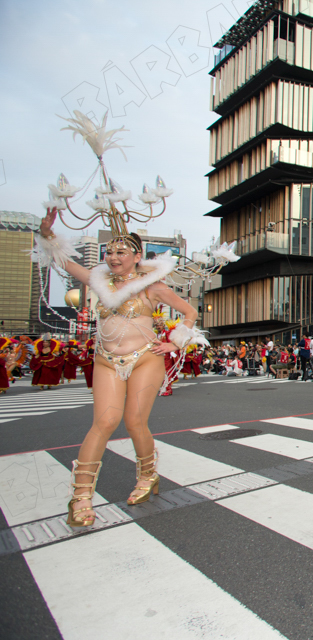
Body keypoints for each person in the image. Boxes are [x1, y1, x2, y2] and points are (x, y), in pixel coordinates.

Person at [34, 211, 204, 528]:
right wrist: (48, 235)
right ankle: (80, 497)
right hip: (106, 359)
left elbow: (189, 312)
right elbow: (64, 263)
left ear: (137, 256)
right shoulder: (98, 281)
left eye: (121, 252)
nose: (113, 257)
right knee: (104, 422)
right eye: (110, 252)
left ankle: (148, 475)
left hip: (145, 358)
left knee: (135, 422)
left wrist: (175, 342)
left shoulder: (152, 287)